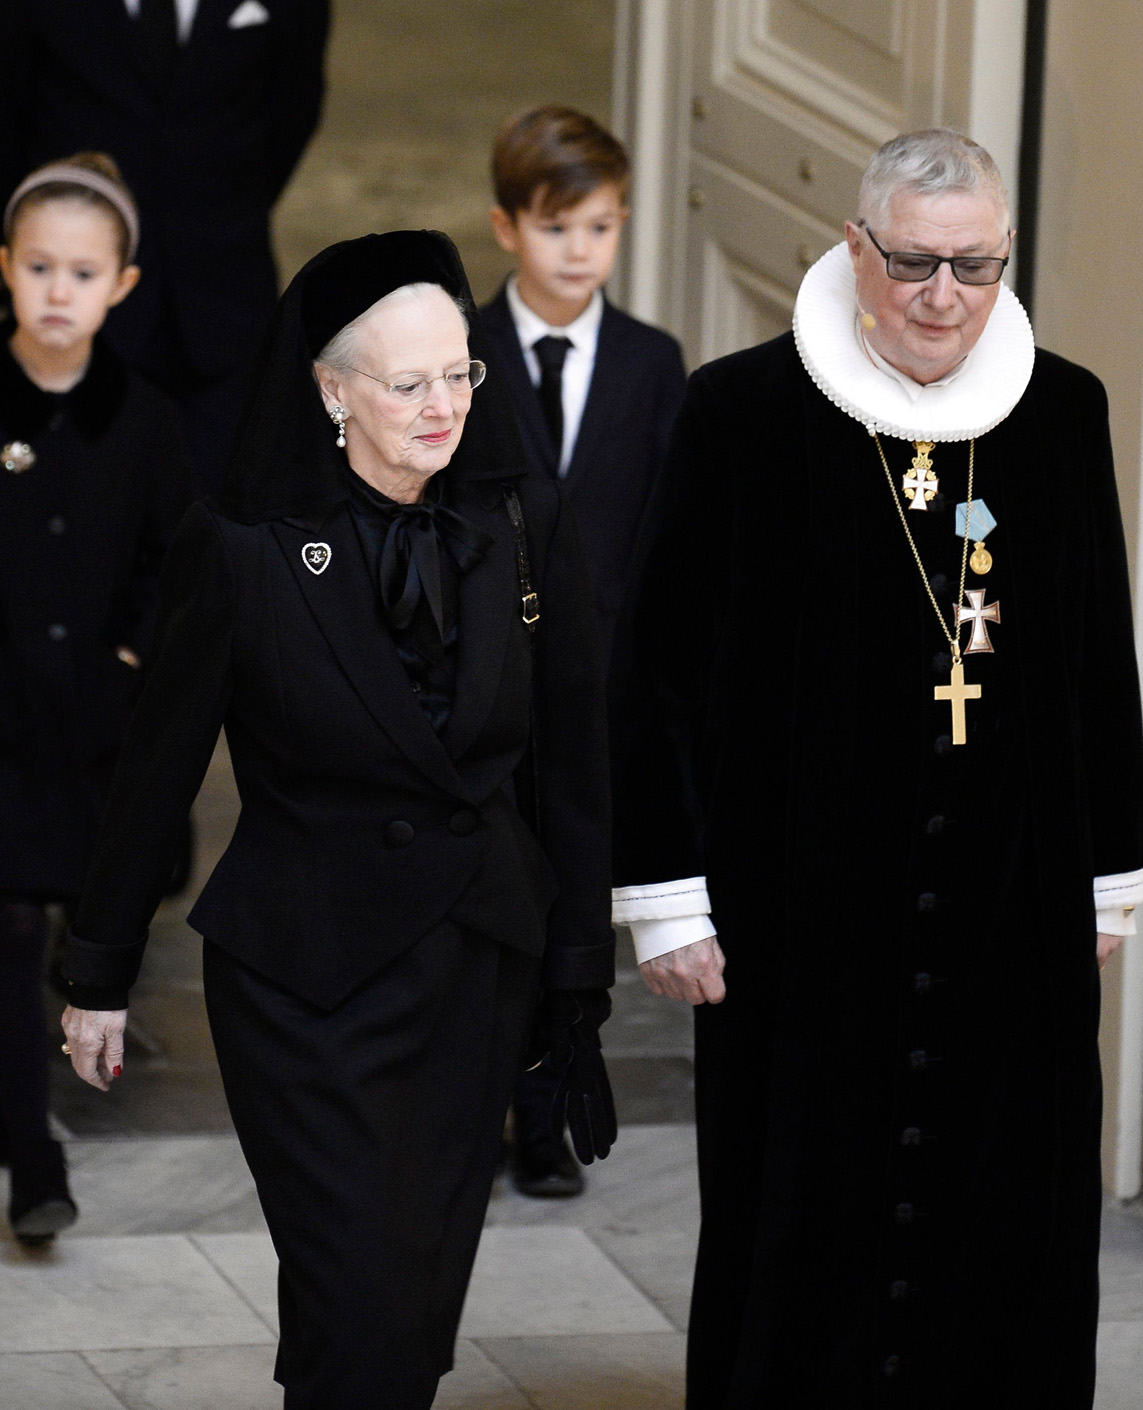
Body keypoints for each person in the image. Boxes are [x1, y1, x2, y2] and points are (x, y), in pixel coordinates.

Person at [610, 129, 1143, 1408]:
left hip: (1008, 917)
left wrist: (1106, 876)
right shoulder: (741, 413)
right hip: (795, 915)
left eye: (975, 267)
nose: (941, 297)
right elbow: (655, 672)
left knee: (1003, 1221)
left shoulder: (1060, 409)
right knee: (800, 1219)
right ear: (855, 248)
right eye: (912, 261)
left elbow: (1094, 649)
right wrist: (667, 894)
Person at [58, 229, 616, 1410]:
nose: (443, 406)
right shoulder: (247, 551)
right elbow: (153, 768)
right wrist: (98, 970)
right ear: (330, 391)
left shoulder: (524, 525)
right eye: (408, 383)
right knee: (355, 1298)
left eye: (459, 374)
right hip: (307, 988)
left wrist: (575, 978)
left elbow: (571, 764)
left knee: (409, 1315)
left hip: (475, 975)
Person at [481, 104, 686, 1197]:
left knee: (573, 892)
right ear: (508, 226)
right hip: (482, 677)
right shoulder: (458, 352)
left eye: (599, 229)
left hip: (598, 682)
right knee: (483, 888)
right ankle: (471, 1100)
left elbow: (663, 522)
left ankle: (549, 1105)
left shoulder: (653, 363)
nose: (578, 251)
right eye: (557, 227)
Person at [0, 153, 191, 1245]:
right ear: (8, 271)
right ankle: (33, 1150)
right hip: (4, 726)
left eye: (82, 270)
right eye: (38, 267)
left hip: (96, 728)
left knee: (84, 915)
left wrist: (132, 653)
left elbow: (176, 557)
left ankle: (53, 1056)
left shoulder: (145, 418)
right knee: (9, 919)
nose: (58, 290)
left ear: (120, 283)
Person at [0, 0, 330, 493]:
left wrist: (217, 219)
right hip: (71, 316)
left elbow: (292, 110)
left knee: (217, 524)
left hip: (225, 305)